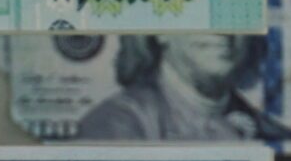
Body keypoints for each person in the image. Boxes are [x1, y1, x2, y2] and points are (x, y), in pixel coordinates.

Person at [76, 34, 272, 140]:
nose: (222, 31)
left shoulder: (269, 131)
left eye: (237, 16)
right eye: (201, 15)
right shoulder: (116, 124)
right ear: (161, 31)